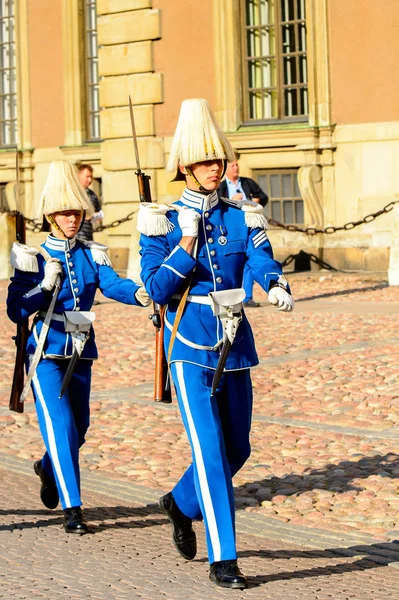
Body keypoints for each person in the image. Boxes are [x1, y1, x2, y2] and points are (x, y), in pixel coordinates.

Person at [137, 99, 294, 589]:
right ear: (185, 165)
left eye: (217, 161)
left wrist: (274, 284)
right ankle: (224, 558)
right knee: (209, 450)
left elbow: (259, 257)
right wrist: (184, 247)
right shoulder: (159, 222)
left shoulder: (240, 215)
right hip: (187, 342)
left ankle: (180, 503)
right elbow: (156, 290)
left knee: (238, 448)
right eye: (204, 161)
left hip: (234, 339)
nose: (213, 169)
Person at [7, 160, 150, 535]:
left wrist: (140, 292)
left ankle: (48, 466)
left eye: (76, 212)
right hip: (45, 352)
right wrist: (43, 287)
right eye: (65, 213)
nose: (73, 219)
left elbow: (112, 285)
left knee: (79, 427)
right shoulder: (31, 258)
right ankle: (73, 507)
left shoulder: (91, 253)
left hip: (81, 349)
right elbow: (15, 309)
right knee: (61, 423)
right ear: (51, 217)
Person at [218, 156, 268, 307]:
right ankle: (229, 296)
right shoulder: (220, 187)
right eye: (232, 166)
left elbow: (263, 197)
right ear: (225, 169)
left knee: (250, 262)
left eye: (237, 165)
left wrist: (256, 200)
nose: (236, 168)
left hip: (248, 224)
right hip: (230, 228)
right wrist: (231, 200)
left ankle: (247, 297)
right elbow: (216, 205)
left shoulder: (247, 182)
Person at [76, 163, 104, 242]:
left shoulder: (93, 194)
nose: (90, 180)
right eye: (87, 176)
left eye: (91, 177)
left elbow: (99, 213)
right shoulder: (72, 192)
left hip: (88, 236)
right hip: (75, 236)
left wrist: (95, 216)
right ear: (79, 175)